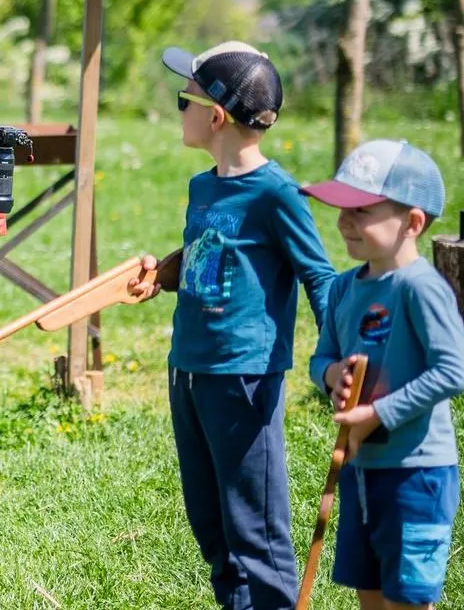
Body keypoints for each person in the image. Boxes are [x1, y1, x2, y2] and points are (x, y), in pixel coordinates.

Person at [161, 41, 337, 610]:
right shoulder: (203, 186)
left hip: (243, 377)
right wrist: (164, 272)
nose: (178, 111)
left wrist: (343, 352)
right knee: (211, 526)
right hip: (187, 370)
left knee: (255, 531)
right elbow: (210, 252)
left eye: (181, 100)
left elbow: (319, 275)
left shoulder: (276, 193)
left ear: (215, 116)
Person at [303, 141, 464, 610]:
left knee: (408, 600)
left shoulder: (420, 288)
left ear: (412, 223)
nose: (343, 222)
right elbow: (322, 359)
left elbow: (455, 371)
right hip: (360, 471)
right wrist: (332, 374)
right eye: (340, 208)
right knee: (370, 594)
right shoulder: (341, 289)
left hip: (416, 473)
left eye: (361, 210)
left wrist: (378, 413)